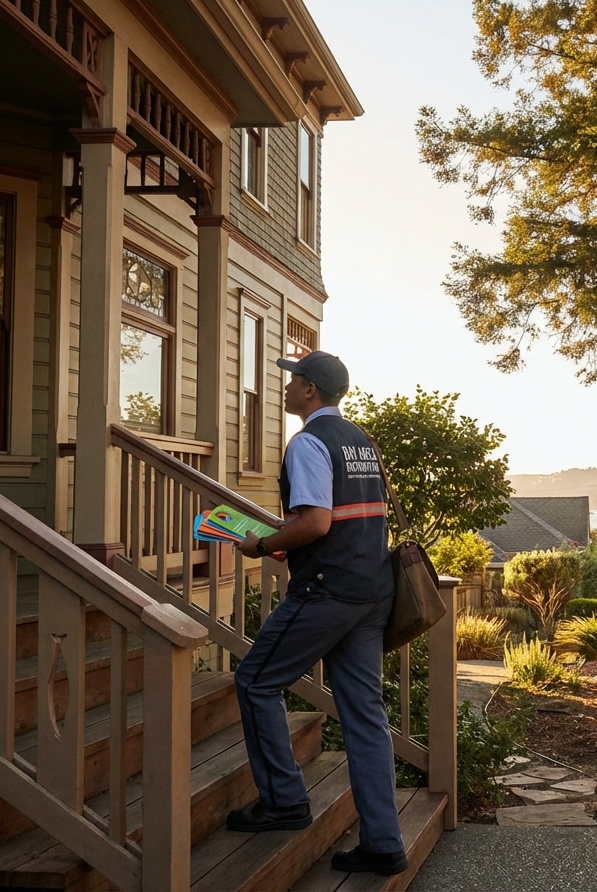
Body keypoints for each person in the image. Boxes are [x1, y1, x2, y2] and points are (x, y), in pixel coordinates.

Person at [226, 350, 408, 877]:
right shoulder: (361, 441)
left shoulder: (308, 442)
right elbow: (348, 518)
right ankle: (383, 844)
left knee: (256, 680)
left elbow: (318, 523)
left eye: (292, 380)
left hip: (328, 592)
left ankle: (283, 800)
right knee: (366, 717)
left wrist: (263, 545)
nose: (285, 387)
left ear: (310, 390)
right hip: (373, 592)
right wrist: (293, 540)